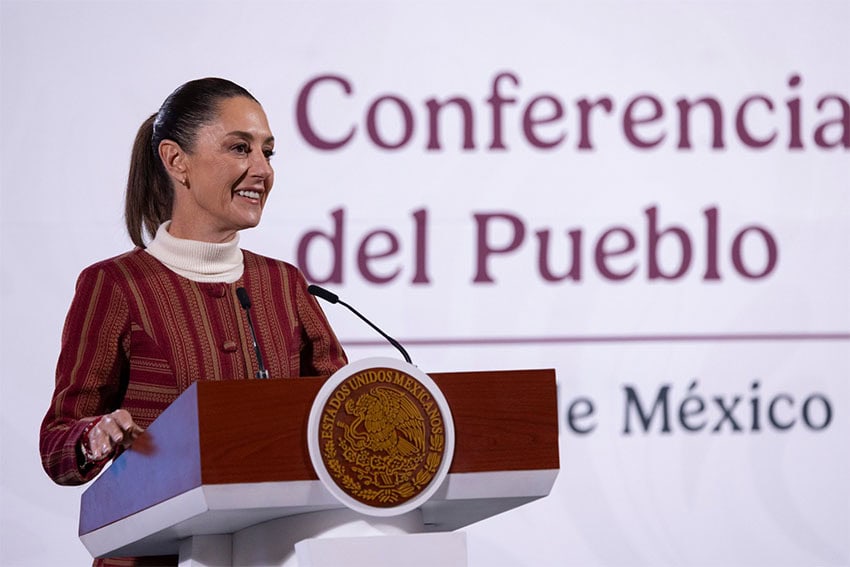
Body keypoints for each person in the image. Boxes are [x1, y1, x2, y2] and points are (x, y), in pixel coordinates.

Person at [39, 78, 348, 566]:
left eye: (268, 152)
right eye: (239, 148)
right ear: (176, 160)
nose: (262, 170)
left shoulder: (284, 285)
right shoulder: (115, 285)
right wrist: (94, 436)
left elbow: (341, 412)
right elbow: (58, 444)